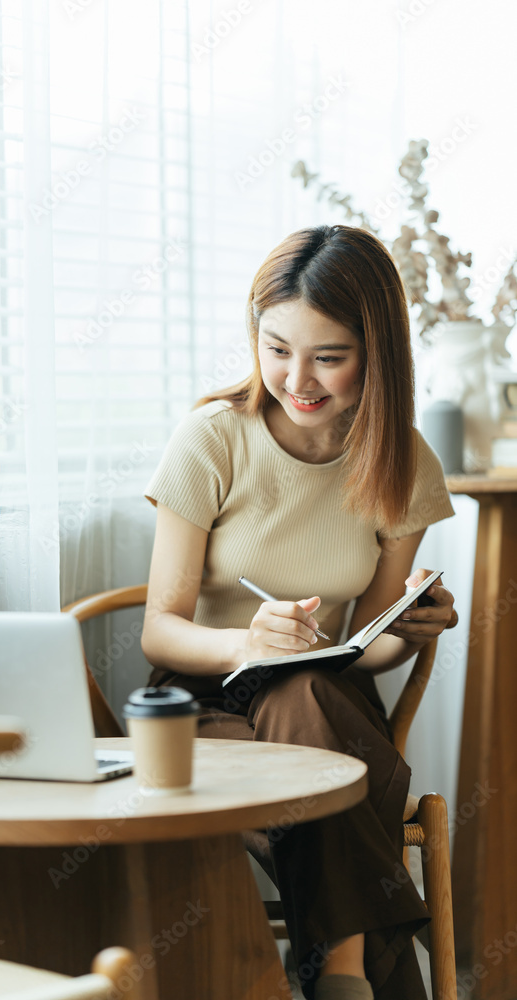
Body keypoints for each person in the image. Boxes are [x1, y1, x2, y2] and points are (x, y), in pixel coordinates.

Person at [140, 223, 457, 1000]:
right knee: (308, 705)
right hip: (203, 699)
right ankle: (343, 974)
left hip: (325, 698)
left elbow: (366, 647)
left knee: (310, 691)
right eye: (276, 348)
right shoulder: (212, 438)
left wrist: (406, 630)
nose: (297, 378)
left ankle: (330, 972)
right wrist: (245, 640)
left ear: (376, 353)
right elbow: (159, 629)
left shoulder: (400, 458)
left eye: (328, 357)